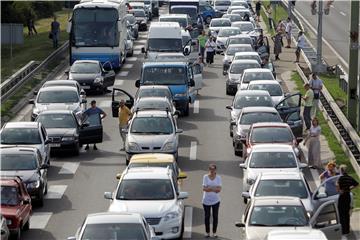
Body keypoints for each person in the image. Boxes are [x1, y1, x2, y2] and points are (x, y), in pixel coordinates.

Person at [337, 164, 359, 236]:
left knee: (341, 214)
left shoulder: (340, 178)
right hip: (348, 196)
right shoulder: (349, 178)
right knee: (346, 214)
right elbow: (357, 184)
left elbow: (337, 185)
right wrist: (350, 188)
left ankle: (343, 230)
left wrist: (339, 190)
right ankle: (347, 230)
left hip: (342, 197)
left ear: (341, 170)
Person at [202, 164, 222, 238]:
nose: (212, 171)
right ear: (209, 169)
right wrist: (214, 188)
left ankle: (214, 232)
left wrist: (210, 188)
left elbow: (219, 190)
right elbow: (204, 189)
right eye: (210, 169)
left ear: (215, 170)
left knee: (215, 216)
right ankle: (207, 232)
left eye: (213, 169)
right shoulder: (205, 177)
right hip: (206, 201)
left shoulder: (218, 178)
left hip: (216, 201)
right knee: (207, 216)